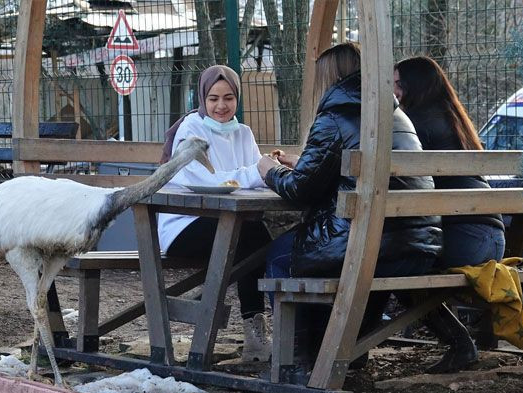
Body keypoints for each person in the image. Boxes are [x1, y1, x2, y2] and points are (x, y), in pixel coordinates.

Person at [258, 43, 443, 374]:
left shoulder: (334, 115)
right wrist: (304, 164)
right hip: (418, 243)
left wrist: (267, 170)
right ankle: (350, 354)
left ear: (331, 77)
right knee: (321, 253)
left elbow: (300, 190)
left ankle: (298, 361)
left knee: (281, 256)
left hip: (373, 246)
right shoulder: (394, 114)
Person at [394, 56, 506, 372]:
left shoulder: (414, 123)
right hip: (491, 239)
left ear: (414, 86)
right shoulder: (452, 117)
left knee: (397, 266)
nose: (393, 91)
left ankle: (460, 345)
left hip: (466, 241)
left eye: (398, 84)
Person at [158, 65, 273, 362]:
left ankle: (253, 330)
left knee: (256, 238)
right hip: (184, 224)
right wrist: (255, 173)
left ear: (238, 98)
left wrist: (270, 169)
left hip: (228, 222)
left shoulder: (243, 133)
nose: (221, 106)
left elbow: (254, 178)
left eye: (229, 97)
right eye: (213, 98)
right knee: (254, 238)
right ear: (202, 99)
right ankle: (252, 331)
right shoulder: (191, 129)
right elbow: (198, 179)